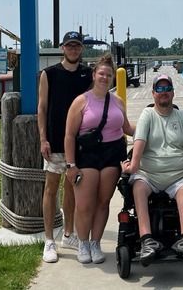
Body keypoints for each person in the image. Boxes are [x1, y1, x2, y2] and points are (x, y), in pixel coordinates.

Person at [121, 74, 183, 266]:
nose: (163, 92)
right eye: (159, 89)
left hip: (177, 175)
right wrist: (133, 165)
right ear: (153, 94)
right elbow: (139, 140)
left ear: (173, 93)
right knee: (138, 187)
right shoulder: (147, 115)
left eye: (167, 89)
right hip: (150, 174)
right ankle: (146, 240)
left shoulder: (182, 117)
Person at [64, 53, 134, 264]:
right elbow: (69, 135)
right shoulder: (81, 101)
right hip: (87, 155)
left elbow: (127, 128)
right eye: (101, 73)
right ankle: (83, 242)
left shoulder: (118, 101)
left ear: (113, 78)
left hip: (113, 154)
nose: (105, 77)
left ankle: (96, 242)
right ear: (94, 75)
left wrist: (152, 127)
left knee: (104, 202)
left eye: (109, 74)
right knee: (84, 204)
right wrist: (71, 165)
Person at [37, 31, 92, 263]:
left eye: (77, 46)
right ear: (62, 48)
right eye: (69, 46)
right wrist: (43, 138)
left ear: (81, 49)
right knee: (51, 188)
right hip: (55, 140)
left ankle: (69, 234)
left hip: (79, 143)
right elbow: (42, 107)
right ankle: (49, 239)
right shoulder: (49, 74)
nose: (73, 50)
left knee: (73, 188)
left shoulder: (88, 74)